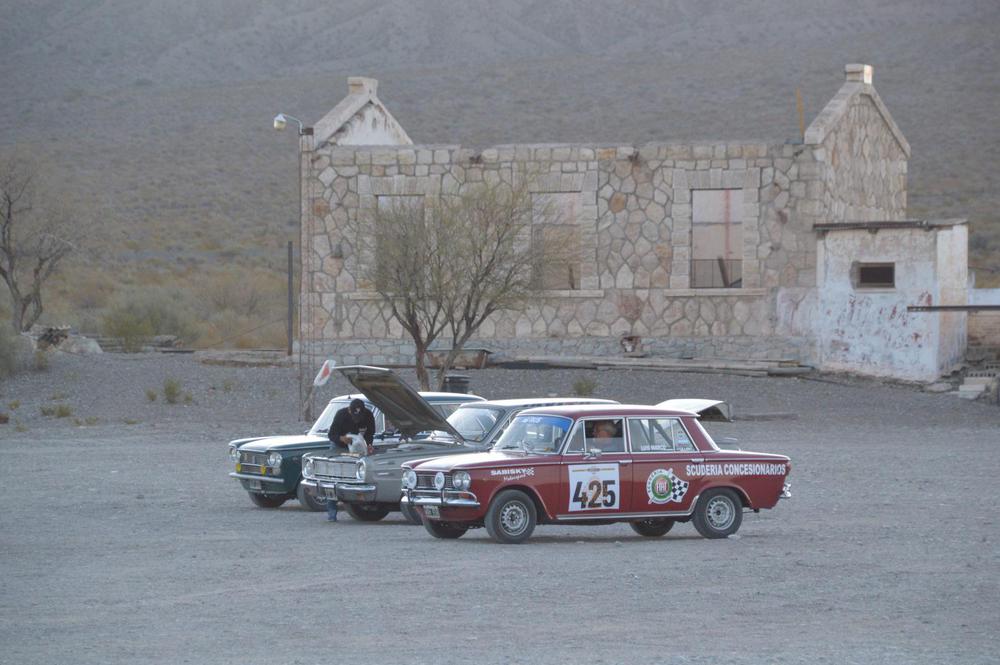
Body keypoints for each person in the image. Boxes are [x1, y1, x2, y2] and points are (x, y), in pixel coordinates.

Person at [325, 398, 376, 522]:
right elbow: (331, 434)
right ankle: (332, 512)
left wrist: (369, 444)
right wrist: (341, 439)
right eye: (354, 416)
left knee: (359, 474)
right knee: (334, 477)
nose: (357, 419)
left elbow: (370, 433)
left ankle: (359, 503)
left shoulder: (368, 415)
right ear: (349, 410)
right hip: (339, 447)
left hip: (358, 447)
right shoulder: (341, 415)